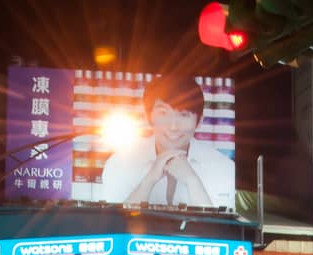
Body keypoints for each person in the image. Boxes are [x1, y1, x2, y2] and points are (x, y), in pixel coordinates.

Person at [101, 74, 236, 211]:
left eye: (183, 114)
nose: (173, 126)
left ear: (199, 121)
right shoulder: (119, 162)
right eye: (163, 113)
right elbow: (116, 226)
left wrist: (192, 181)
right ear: (148, 117)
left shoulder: (224, 168)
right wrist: (149, 180)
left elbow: (218, 231)